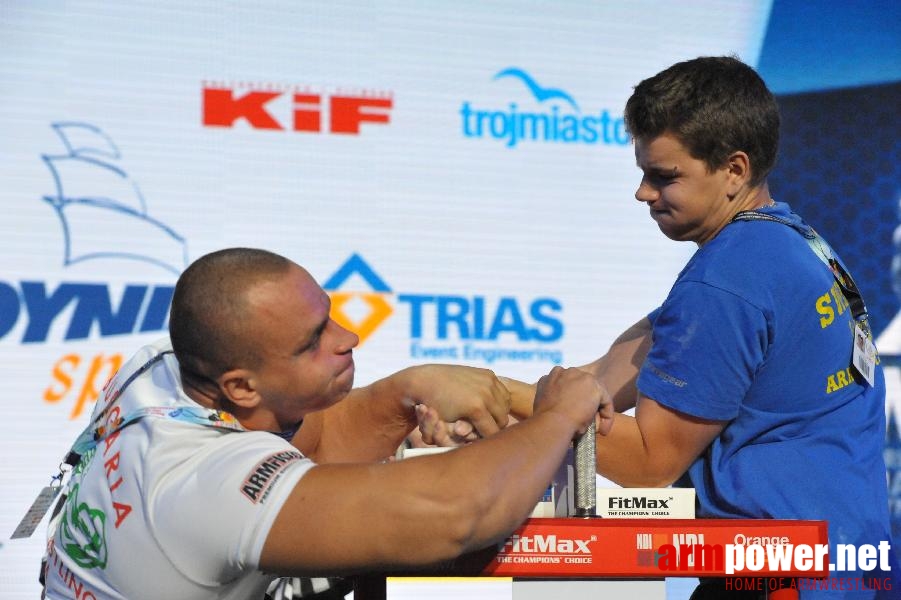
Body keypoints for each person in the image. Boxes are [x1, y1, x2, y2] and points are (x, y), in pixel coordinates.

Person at [500, 56, 897, 599]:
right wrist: (495, 400)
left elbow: (648, 461)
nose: (643, 192)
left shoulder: (726, 280)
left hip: (780, 573)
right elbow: (607, 374)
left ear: (734, 169)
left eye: (663, 176)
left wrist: (518, 407)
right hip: (841, 561)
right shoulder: (789, 243)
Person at [40, 247, 610, 600]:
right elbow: (456, 514)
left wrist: (406, 390)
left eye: (329, 316)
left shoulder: (162, 371)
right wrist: (558, 415)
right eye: (315, 341)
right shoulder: (204, 484)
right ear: (241, 385)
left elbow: (320, 438)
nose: (348, 338)